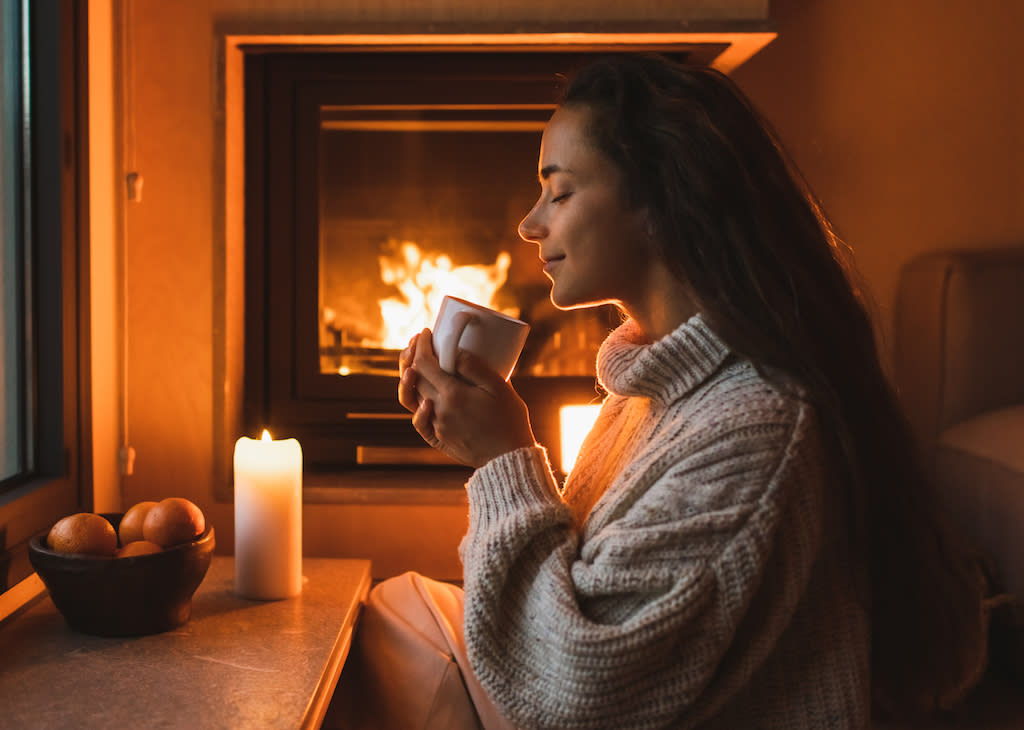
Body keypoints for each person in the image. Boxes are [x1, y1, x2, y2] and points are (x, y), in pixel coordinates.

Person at [329, 53, 993, 729]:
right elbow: (595, 586)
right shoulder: (652, 393)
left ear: (660, 203)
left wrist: (503, 460)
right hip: (603, 691)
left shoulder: (759, 424)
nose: (531, 224)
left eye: (560, 193)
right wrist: (493, 451)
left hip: (601, 706)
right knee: (400, 607)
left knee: (403, 631)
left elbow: (577, 692)